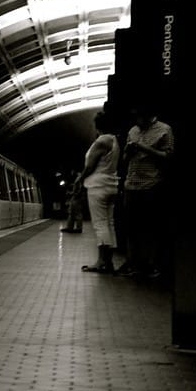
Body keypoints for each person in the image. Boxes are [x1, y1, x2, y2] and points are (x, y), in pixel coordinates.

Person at [118, 102, 175, 279]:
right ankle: (133, 263)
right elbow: (125, 159)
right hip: (131, 184)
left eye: (140, 118)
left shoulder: (165, 130)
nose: (137, 122)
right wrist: (127, 151)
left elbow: (168, 156)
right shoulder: (133, 131)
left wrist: (144, 148)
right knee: (131, 227)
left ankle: (151, 265)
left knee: (151, 227)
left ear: (149, 116)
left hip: (151, 185)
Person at [76, 111, 121, 273]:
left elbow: (90, 166)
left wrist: (79, 179)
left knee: (100, 224)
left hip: (98, 186)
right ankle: (108, 261)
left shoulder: (101, 141)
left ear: (98, 125)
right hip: (111, 184)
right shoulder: (115, 140)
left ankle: (101, 261)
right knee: (109, 223)